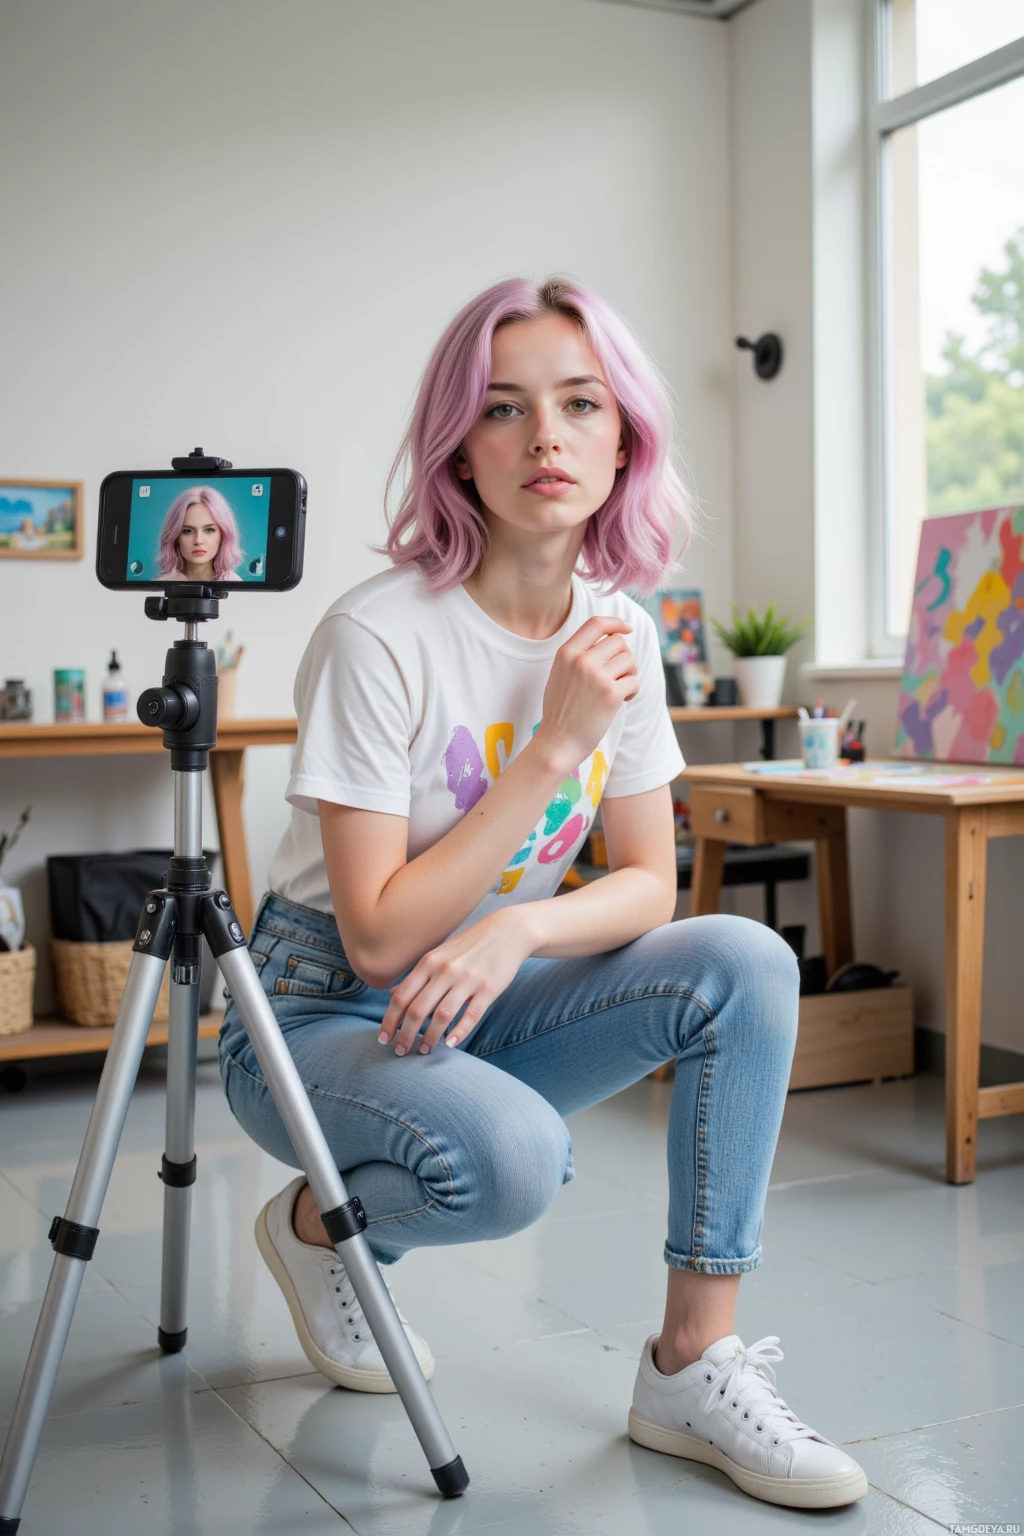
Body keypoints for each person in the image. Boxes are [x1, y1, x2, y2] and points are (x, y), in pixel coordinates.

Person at [218, 275, 867, 1511]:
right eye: (504, 409)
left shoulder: (620, 631)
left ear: (625, 437)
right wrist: (554, 754)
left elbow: (643, 886)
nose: (546, 439)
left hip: (483, 985)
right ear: (459, 447)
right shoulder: (380, 637)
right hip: (318, 1017)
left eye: (580, 404)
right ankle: (321, 1232)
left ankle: (690, 1361)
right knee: (514, 1165)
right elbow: (374, 935)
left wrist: (520, 925)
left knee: (746, 961)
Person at [156, 485, 243, 582]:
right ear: (175, 537)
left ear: (222, 535)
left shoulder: (235, 585)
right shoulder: (159, 587)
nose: (198, 540)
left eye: (209, 530)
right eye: (188, 531)